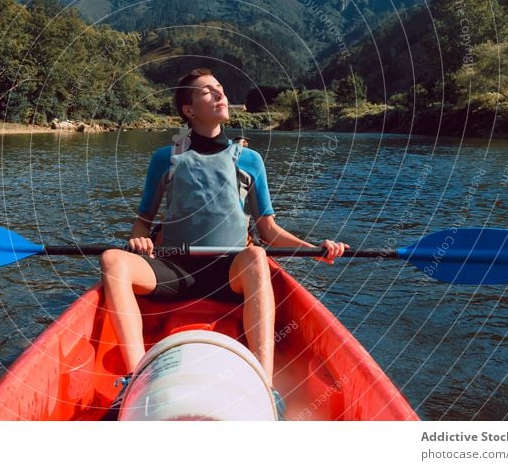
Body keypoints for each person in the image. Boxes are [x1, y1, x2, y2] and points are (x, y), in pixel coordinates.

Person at [99, 68, 348, 412]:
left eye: (220, 89)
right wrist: (139, 243)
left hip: (226, 275)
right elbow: (142, 226)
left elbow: (269, 232)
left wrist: (314, 251)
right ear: (188, 110)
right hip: (173, 269)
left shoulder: (249, 160)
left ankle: (263, 382)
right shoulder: (164, 159)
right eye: (207, 92)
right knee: (113, 260)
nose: (220, 95)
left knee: (257, 256)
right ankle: (134, 380)